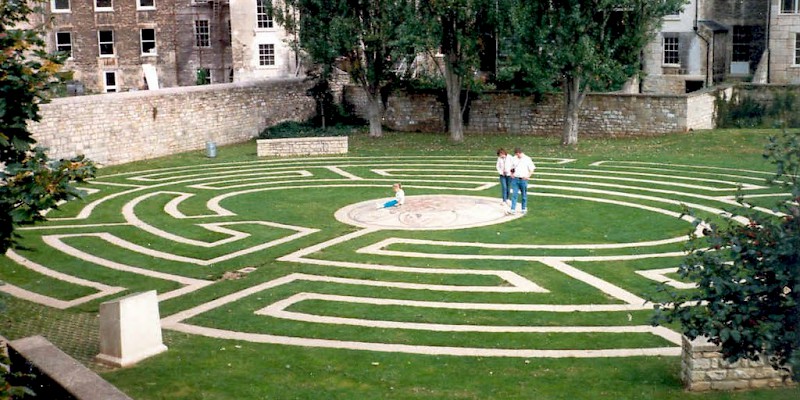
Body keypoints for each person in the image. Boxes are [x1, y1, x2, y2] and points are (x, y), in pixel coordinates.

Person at [508, 147, 536, 215]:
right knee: (514, 194)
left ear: (521, 153)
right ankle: (512, 209)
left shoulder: (527, 159)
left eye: (518, 154)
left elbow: (532, 169)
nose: (517, 155)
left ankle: (523, 208)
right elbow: (512, 167)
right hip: (515, 179)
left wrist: (528, 176)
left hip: (523, 179)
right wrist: (511, 174)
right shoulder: (514, 158)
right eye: (516, 154)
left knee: (524, 194)